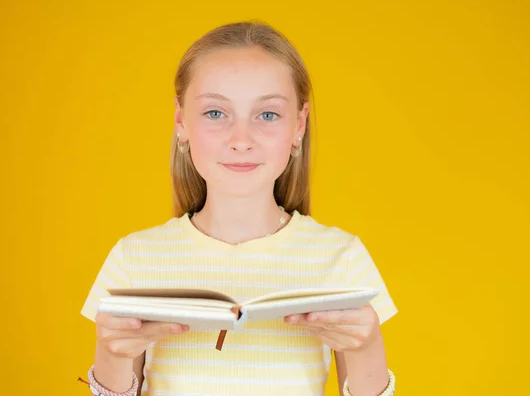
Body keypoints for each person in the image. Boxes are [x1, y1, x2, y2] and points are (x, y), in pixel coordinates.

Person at [80, 20, 398, 396]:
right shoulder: (134, 259)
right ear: (181, 122)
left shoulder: (342, 257)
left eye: (267, 115)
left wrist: (367, 347)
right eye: (216, 113)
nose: (241, 140)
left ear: (299, 125)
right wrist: (111, 354)